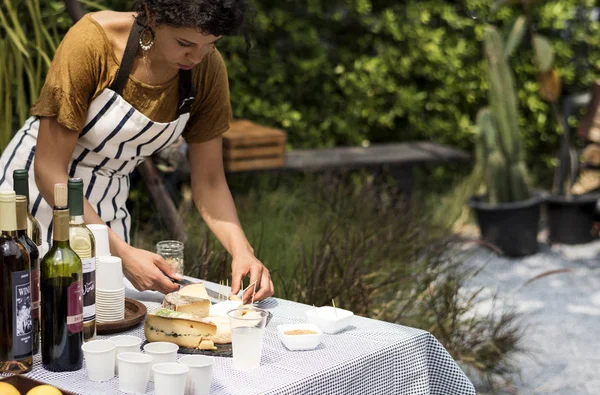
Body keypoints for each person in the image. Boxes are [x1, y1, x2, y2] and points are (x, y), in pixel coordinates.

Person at [0, 0, 274, 303]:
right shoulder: (94, 42)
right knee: (21, 318)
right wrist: (122, 252)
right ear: (152, 16)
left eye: (211, 44)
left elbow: (209, 182)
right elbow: (49, 170)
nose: (197, 57)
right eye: (185, 43)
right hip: (32, 199)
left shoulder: (206, 70)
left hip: (105, 206)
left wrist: (242, 251)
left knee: (100, 321)